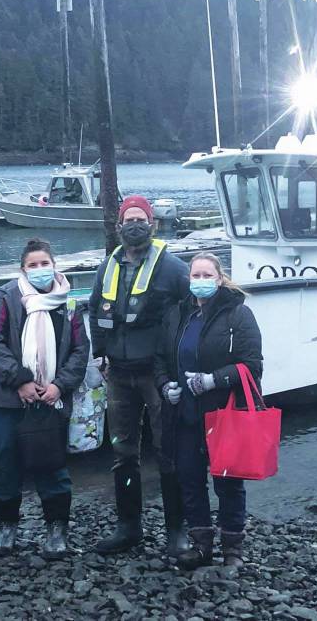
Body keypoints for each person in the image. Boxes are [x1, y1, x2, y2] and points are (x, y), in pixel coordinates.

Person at [88, 195, 190, 557]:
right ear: (119, 226)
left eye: (141, 219)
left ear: (152, 224)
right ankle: (128, 526)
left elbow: (192, 310)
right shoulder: (107, 266)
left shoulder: (174, 268)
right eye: (128, 219)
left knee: (169, 451)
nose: (135, 225)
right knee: (123, 452)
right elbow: (94, 308)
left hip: (157, 373)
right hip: (118, 373)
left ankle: (177, 529)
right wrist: (100, 353)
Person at [0, 238, 89, 559]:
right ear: (23, 269)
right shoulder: (7, 299)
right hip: (5, 398)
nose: (40, 270)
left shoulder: (68, 305)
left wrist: (59, 386)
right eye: (33, 265)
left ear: (54, 265)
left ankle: (57, 527)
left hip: (50, 399)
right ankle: (6, 524)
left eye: (45, 263)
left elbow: (79, 352)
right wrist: (21, 381)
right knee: (4, 461)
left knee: (51, 463)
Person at [154, 252, 263, 569]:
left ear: (219, 278)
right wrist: (165, 386)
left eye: (206, 275)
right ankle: (202, 544)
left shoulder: (239, 315)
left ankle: (233, 548)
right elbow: (161, 358)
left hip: (223, 413)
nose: (200, 281)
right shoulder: (177, 314)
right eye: (195, 275)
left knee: (228, 481)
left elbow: (252, 365)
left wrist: (214, 380)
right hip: (185, 414)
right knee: (189, 478)